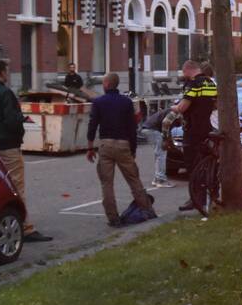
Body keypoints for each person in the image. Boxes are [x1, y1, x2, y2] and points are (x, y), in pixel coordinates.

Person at [0, 60, 52, 242]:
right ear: (2, 73)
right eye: (7, 71)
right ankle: (25, 227)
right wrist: (19, 127)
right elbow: (11, 120)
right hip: (8, 145)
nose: (8, 74)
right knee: (17, 187)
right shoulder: (5, 93)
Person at [86, 72, 156, 227]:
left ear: (105, 84)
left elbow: (93, 125)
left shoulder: (98, 102)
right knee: (133, 179)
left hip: (105, 145)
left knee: (107, 183)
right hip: (123, 144)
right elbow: (132, 127)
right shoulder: (126, 102)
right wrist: (133, 149)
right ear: (116, 85)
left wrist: (90, 147)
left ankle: (113, 218)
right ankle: (147, 209)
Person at [171, 60, 217, 211]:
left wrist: (175, 107)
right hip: (207, 128)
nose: (184, 75)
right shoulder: (210, 83)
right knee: (207, 164)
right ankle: (212, 195)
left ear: (188, 70)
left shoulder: (193, 84)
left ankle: (196, 198)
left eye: (184, 73)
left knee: (193, 166)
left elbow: (183, 107)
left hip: (193, 131)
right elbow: (215, 104)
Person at [141, 107, 176, 188]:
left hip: (148, 128)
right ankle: (161, 180)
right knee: (161, 154)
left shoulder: (172, 110)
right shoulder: (175, 112)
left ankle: (157, 179)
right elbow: (165, 123)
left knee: (159, 154)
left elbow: (168, 129)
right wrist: (165, 140)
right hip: (153, 129)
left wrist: (170, 142)